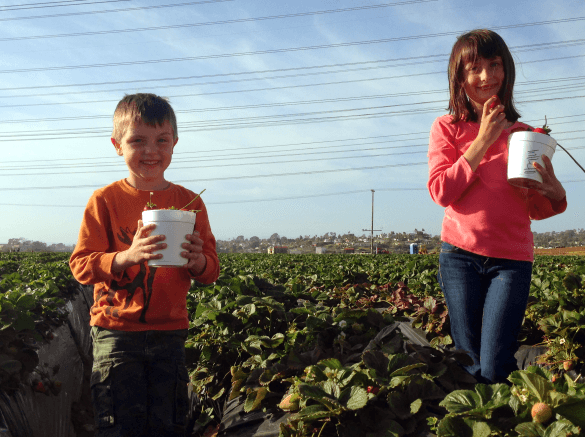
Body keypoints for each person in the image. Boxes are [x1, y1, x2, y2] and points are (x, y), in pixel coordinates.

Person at [70, 93, 220, 436]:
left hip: (170, 333)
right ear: (117, 145)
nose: (151, 150)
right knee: (118, 424)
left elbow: (212, 271)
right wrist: (127, 256)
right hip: (116, 333)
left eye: (161, 140)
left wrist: (198, 262)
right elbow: (81, 265)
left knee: (167, 424)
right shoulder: (104, 201)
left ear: (174, 144)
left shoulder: (189, 203)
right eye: (138, 140)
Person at [427, 29, 567, 384]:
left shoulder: (525, 136)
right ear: (459, 76)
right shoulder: (446, 128)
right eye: (474, 68)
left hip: (511, 261)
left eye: (495, 65)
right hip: (459, 256)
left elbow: (536, 207)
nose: (486, 76)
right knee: (469, 361)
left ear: (507, 72)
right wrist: (483, 140)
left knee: (492, 365)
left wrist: (554, 190)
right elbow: (441, 191)